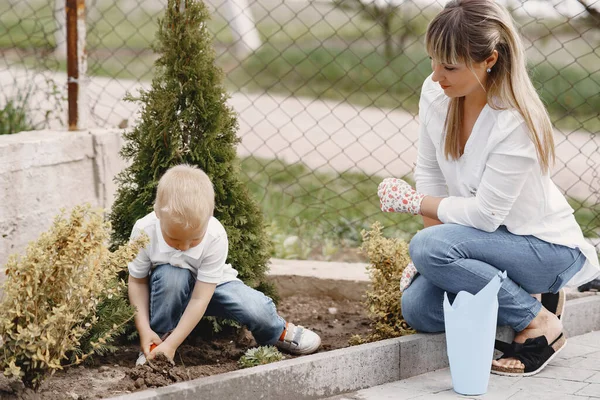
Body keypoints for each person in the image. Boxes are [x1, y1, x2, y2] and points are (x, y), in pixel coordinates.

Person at [377, 0, 600, 377]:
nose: (435, 76)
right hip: (484, 246)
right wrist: (431, 257)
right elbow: (430, 171)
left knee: (429, 247)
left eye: (449, 66)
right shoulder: (436, 94)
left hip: (544, 249)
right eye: (432, 60)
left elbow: (486, 215)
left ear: (489, 60)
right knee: (420, 308)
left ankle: (540, 321)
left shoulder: (514, 119)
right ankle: (525, 300)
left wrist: (417, 209)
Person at [127, 164, 321, 365]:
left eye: (194, 240)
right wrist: (145, 330)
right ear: (158, 213)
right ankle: (156, 345)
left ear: (210, 215)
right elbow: (137, 282)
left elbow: (200, 298)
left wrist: (175, 344)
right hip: (169, 291)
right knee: (172, 277)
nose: (184, 247)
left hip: (212, 288)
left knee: (256, 308)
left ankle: (276, 330)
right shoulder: (144, 230)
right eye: (174, 239)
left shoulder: (214, 234)